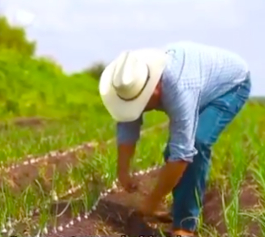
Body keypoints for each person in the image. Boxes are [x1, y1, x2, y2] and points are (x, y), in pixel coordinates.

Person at [98, 41, 251, 237]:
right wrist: (123, 171)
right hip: (200, 81)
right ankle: (180, 210)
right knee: (177, 149)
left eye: (141, 102)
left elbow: (182, 155)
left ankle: (186, 225)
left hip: (231, 85)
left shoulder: (179, 87)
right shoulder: (130, 77)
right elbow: (128, 122)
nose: (139, 108)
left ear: (155, 91)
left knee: (196, 143)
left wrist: (152, 201)